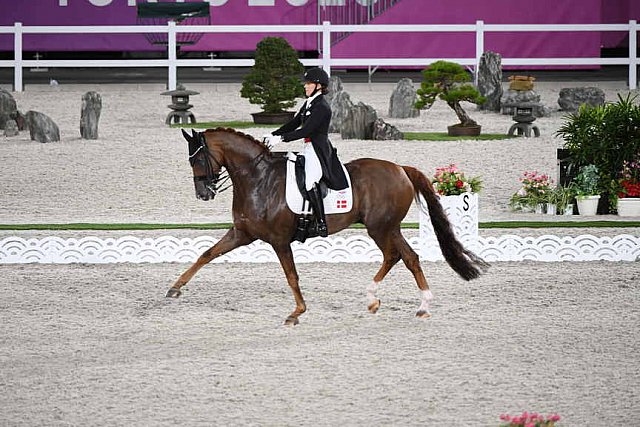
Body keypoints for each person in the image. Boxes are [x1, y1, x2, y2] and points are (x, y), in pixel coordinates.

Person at [265, 67, 348, 238]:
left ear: (318, 86)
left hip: (319, 150)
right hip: (309, 148)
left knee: (310, 181)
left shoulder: (322, 107)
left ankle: (321, 223)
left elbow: (306, 130)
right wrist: (274, 134)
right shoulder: (309, 103)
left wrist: (281, 140)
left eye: (309, 83)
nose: (305, 86)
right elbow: (294, 123)